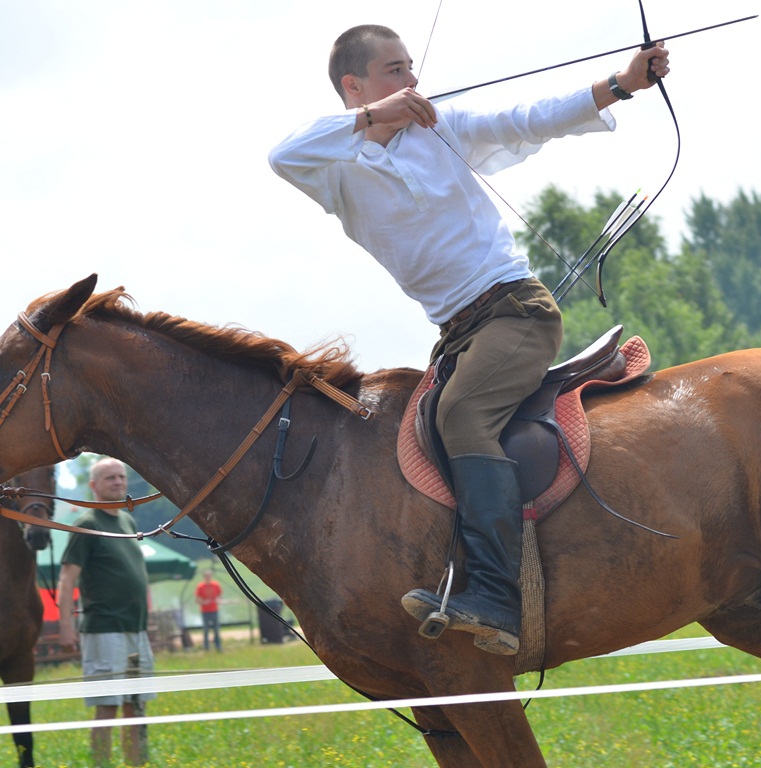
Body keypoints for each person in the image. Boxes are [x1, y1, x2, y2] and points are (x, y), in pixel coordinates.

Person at [269, 24, 670, 656]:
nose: (412, 81)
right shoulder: (337, 167)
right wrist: (374, 117)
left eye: (411, 67)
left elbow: (528, 118)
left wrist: (619, 84)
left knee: (462, 418)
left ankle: (495, 595)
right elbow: (281, 155)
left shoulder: (442, 126)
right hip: (458, 330)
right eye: (394, 70)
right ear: (355, 86)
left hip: (515, 311)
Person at [57, 457, 154, 766]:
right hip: (104, 629)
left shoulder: (128, 522)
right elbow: (67, 578)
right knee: (108, 706)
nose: (118, 482)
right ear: (94, 486)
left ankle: (136, 763)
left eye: (121, 476)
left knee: (136, 705)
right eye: (110, 477)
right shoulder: (86, 525)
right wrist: (65, 628)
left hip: (135, 628)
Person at [195, 569, 223, 652]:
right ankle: (206, 647)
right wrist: (204, 602)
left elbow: (219, 596)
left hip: (214, 610)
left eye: (209, 576)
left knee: (216, 629)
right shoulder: (200, 586)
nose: (208, 577)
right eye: (206, 576)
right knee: (206, 630)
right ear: (204, 577)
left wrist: (218, 599)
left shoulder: (216, 585)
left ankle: (218, 646)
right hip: (205, 611)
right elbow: (197, 600)